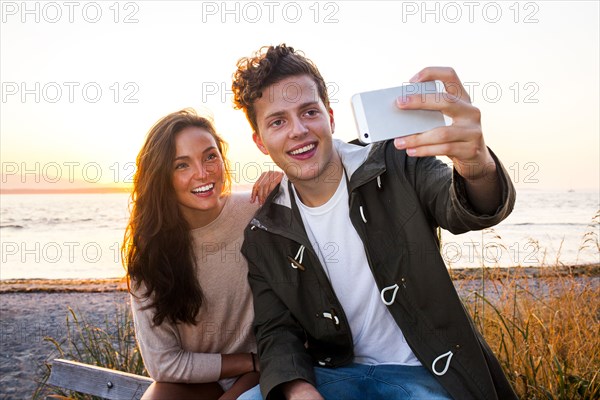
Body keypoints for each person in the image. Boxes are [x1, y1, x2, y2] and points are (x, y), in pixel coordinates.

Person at [231, 44, 518, 400]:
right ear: (260, 142)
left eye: (308, 112)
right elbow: (276, 332)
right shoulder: (264, 232)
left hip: (427, 372)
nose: (298, 130)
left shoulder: (395, 162)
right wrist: (299, 389)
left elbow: (466, 208)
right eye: (278, 121)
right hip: (335, 375)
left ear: (330, 116)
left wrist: (475, 163)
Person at [123, 108, 281, 399]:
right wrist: (247, 360)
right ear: (161, 178)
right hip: (199, 378)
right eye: (181, 165)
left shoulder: (256, 208)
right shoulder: (151, 253)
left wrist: (288, 182)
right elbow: (162, 362)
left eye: (210, 156)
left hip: (265, 370)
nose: (202, 172)